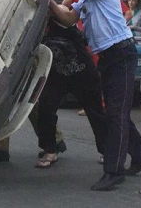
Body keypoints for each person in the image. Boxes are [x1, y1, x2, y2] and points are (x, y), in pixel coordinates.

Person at [31, 0, 141, 192]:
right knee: (115, 114)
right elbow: (67, 18)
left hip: (121, 53)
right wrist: (47, 1)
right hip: (107, 58)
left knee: (115, 114)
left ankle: (113, 171)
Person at [35, 19, 109, 169]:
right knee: (45, 109)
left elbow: (65, 14)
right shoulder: (34, 26)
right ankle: (50, 150)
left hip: (82, 72)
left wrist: (51, 6)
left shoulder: (61, 18)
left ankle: (107, 151)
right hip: (57, 75)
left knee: (96, 113)